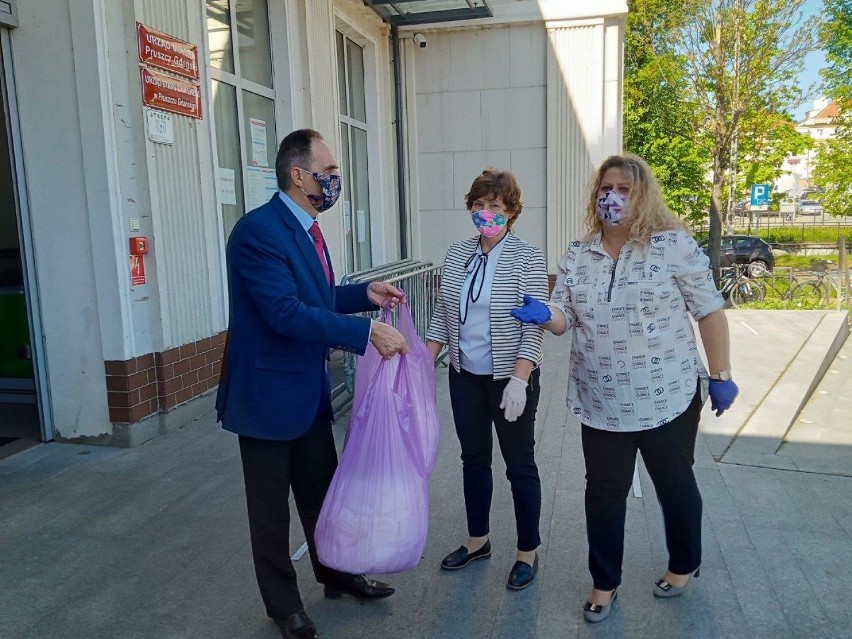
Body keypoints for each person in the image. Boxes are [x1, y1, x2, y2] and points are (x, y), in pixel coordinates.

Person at [512, 154, 739, 622]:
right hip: (601, 402)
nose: (611, 196)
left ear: (642, 197)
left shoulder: (673, 246)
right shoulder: (578, 254)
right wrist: (543, 313)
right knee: (603, 494)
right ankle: (604, 581)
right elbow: (563, 319)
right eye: (605, 187)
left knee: (674, 484)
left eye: (624, 189)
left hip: (668, 398)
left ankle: (683, 563)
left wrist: (721, 374)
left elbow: (709, 311)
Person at [215, 129, 409, 639]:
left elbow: (317, 298)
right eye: (330, 170)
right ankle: (284, 607)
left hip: (307, 393)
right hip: (266, 399)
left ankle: (337, 574)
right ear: (299, 175)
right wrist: (366, 333)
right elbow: (284, 313)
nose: (335, 179)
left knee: (323, 495)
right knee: (270, 514)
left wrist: (364, 295)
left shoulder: (309, 230)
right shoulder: (258, 232)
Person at [425, 168, 549, 591]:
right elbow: (442, 316)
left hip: (509, 378)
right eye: (478, 205)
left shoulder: (527, 257)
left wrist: (520, 378)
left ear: (511, 211)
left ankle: (527, 551)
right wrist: (423, 367)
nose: (485, 213)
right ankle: (478, 540)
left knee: (520, 465)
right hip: (465, 377)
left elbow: (533, 324)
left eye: (495, 206)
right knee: (473, 460)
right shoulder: (458, 253)